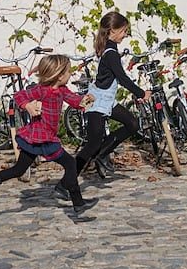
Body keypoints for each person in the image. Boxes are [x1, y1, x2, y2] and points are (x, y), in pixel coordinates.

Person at [0, 54, 98, 215]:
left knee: (19, 170)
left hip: (38, 138)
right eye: (68, 72)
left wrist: (88, 100)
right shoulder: (42, 90)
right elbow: (19, 96)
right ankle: (77, 203)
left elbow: (75, 101)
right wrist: (28, 106)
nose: (70, 74)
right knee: (71, 164)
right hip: (42, 137)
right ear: (58, 76)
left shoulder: (62, 90)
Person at [55, 11, 151, 199]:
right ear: (112, 31)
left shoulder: (110, 49)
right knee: (92, 145)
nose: (125, 34)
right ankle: (65, 184)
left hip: (106, 100)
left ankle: (102, 155)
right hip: (98, 102)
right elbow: (122, 78)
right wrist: (141, 93)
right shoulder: (111, 53)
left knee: (132, 124)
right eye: (123, 31)